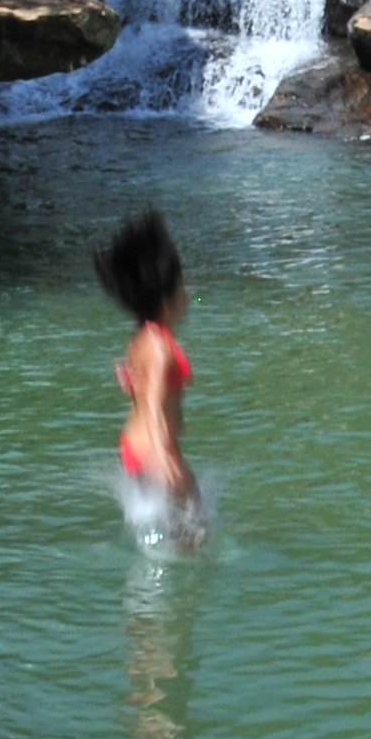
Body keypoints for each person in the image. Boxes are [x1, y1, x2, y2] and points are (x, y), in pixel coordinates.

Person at [96, 209, 203, 540]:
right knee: (193, 537)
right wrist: (164, 459)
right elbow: (155, 406)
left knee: (185, 528)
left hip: (138, 447)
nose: (187, 294)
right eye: (182, 287)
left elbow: (140, 391)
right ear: (167, 298)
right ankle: (181, 590)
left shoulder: (144, 337)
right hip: (154, 449)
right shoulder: (160, 347)